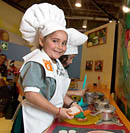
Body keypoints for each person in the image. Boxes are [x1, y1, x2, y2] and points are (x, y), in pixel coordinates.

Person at [11, 3, 87, 133]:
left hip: (48, 117)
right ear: (41, 41)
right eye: (55, 41)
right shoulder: (36, 62)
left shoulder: (56, 64)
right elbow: (31, 94)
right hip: (32, 120)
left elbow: (57, 94)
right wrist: (58, 111)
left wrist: (71, 104)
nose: (60, 47)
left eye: (63, 43)